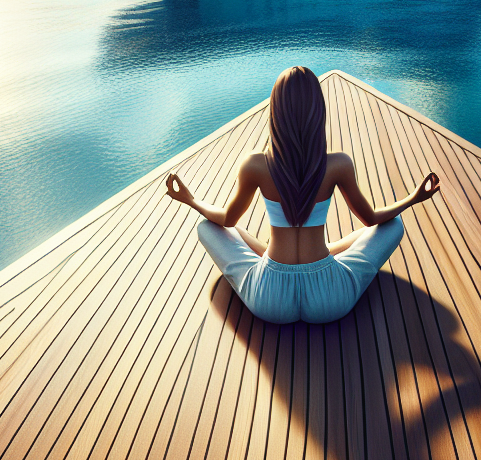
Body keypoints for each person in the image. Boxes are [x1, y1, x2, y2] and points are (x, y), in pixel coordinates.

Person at [165, 66, 441, 324]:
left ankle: (270, 254)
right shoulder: (338, 165)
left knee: (207, 227)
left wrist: (190, 200)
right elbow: (371, 220)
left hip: (269, 299)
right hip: (331, 298)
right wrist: (413, 198)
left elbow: (226, 220)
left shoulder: (256, 165)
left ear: (276, 111)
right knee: (393, 224)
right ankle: (329, 252)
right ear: (317, 111)